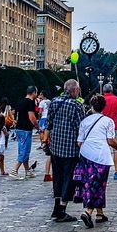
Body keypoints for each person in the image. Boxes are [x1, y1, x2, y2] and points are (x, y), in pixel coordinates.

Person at [74, 94, 117, 228]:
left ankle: (100, 213)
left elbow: (79, 142)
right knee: (98, 184)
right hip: (101, 156)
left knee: (90, 183)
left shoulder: (84, 121)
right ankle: (88, 212)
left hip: (85, 155)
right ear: (104, 107)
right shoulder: (108, 121)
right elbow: (110, 141)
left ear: (91, 106)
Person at [45, 80, 85, 223]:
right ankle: (62, 210)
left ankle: (56, 208)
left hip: (55, 147)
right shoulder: (76, 105)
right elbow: (81, 127)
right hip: (70, 149)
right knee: (69, 178)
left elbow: (48, 123)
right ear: (74, 90)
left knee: (57, 177)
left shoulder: (54, 102)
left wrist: (46, 140)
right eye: (78, 90)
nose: (78, 92)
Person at [11, 87, 39, 180]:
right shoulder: (30, 102)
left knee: (22, 149)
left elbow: (15, 114)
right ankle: (15, 170)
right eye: (36, 92)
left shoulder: (21, 101)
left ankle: (27, 171)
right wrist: (38, 127)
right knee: (25, 150)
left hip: (19, 128)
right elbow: (32, 117)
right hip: (26, 129)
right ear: (33, 92)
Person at [101, 85, 117, 180]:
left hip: (102, 128)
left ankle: (102, 171)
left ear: (103, 90)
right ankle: (116, 172)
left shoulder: (101, 99)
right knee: (116, 149)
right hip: (114, 127)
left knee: (103, 149)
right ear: (112, 90)